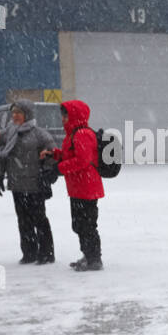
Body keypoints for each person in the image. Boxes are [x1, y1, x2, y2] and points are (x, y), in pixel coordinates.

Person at [0, 100, 57, 264]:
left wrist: (48, 171)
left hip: (35, 185)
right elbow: (0, 155)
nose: (15, 116)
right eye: (13, 113)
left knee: (39, 219)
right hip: (17, 184)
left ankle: (46, 253)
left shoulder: (39, 134)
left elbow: (51, 154)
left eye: (18, 113)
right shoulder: (8, 133)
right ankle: (29, 252)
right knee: (23, 220)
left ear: (27, 115)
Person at [42, 100, 104, 271]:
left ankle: (94, 259)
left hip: (87, 187)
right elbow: (71, 155)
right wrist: (55, 154)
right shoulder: (73, 134)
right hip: (78, 188)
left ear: (75, 115)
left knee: (87, 225)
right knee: (79, 225)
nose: (62, 118)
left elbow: (82, 161)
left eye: (66, 115)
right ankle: (88, 255)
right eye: (62, 115)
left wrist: (58, 168)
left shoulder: (82, 134)